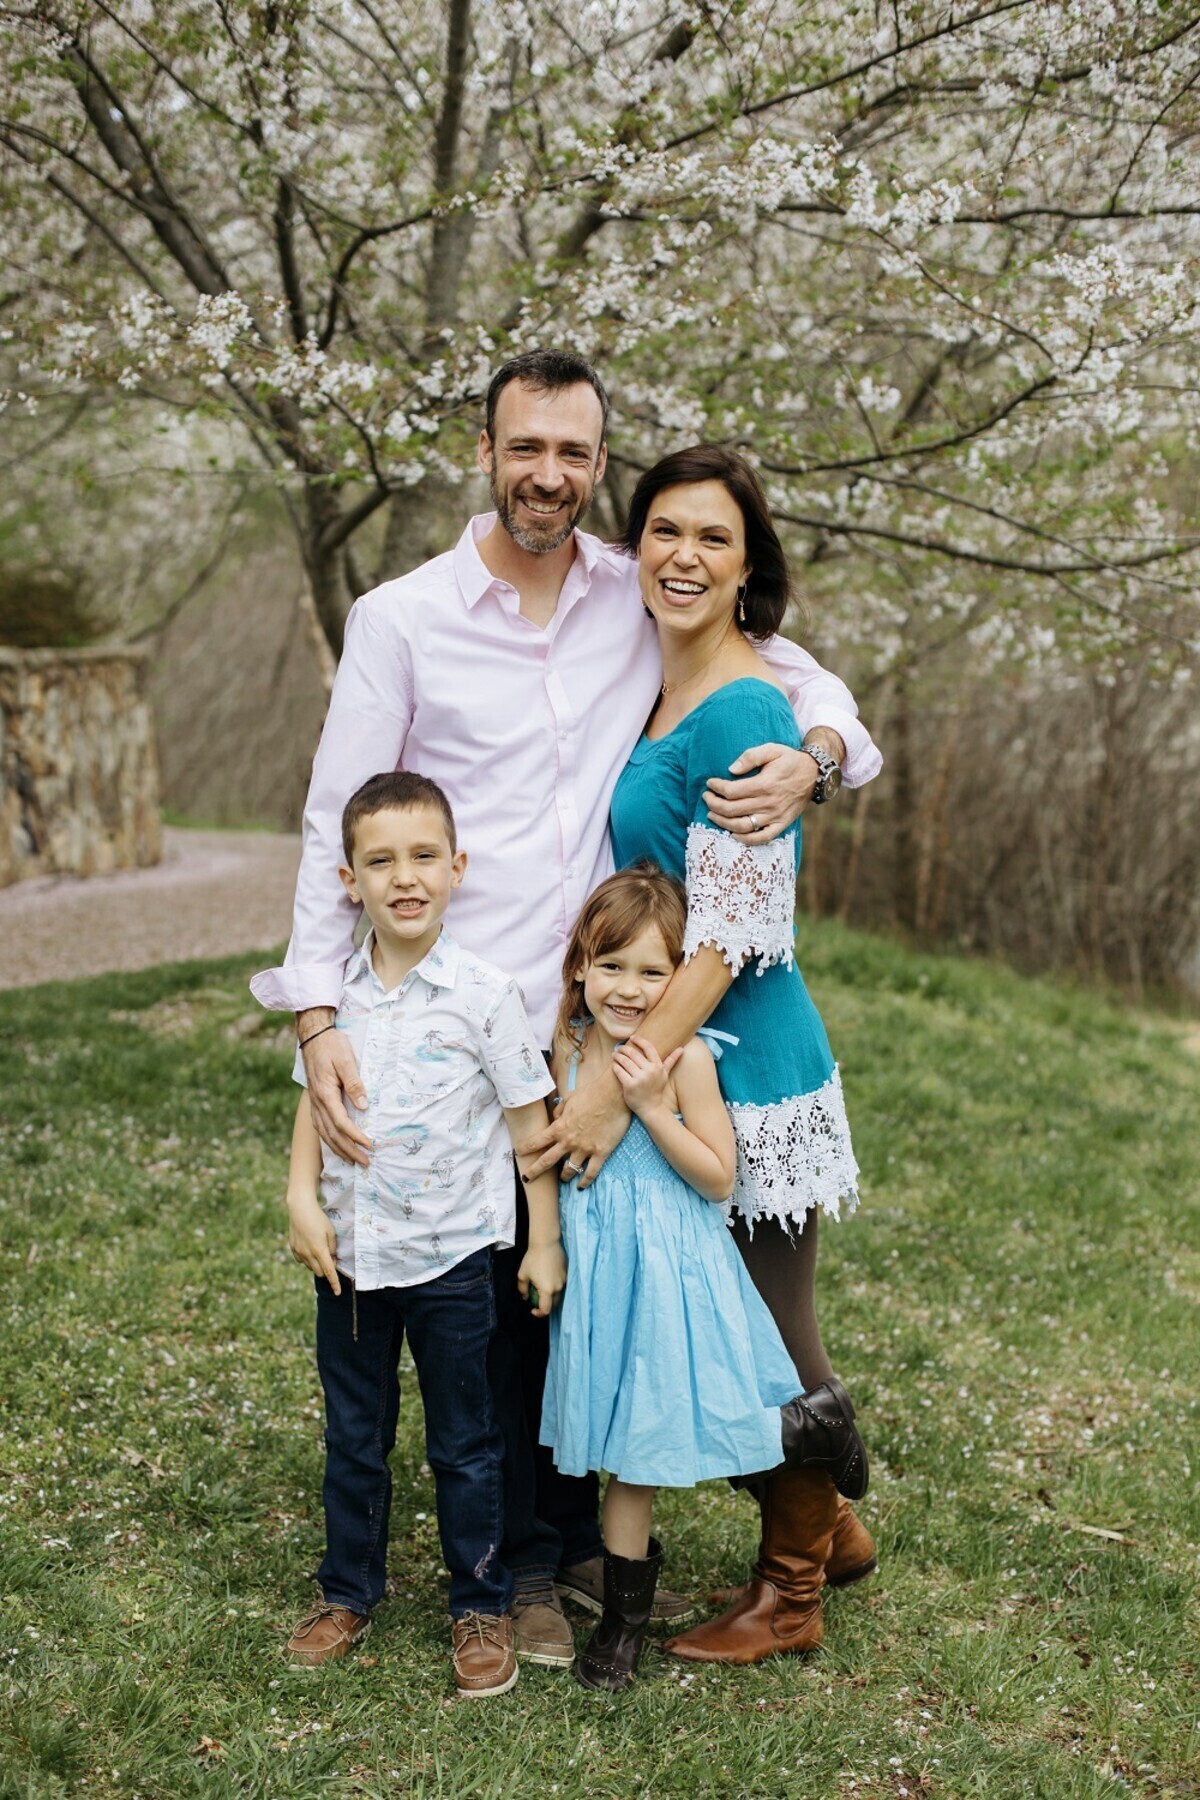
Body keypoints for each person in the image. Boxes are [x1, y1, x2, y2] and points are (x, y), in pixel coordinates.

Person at [252, 349, 882, 1663]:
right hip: (487, 1022)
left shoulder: (632, 589)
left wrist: (818, 758)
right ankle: (552, 1553)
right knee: (527, 1292)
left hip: (642, 1022)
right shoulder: (405, 619)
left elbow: (795, 681)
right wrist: (318, 1018)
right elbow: (334, 820)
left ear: (599, 464)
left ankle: (740, 1545)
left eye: (575, 453)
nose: (549, 474)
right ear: (485, 452)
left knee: (675, 1296)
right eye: (526, 447)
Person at [545, 443, 878, 1666]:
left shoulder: (741, 707)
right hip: (680, 1048)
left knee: (767, 1334)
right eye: (665, 533)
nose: (685, 557)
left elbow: (733, 934)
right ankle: (828, 1527)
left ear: (749, 569)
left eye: (715, 539)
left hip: (743, 1062)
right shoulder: (663, 683)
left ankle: (791, 1596)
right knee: (710, 1321)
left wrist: (613, 1080)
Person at [282, 770, 566, 1698]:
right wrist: (300, 1196)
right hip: (352, 1260)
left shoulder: (486, 994)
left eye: (423, 856)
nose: (404, 877)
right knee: (355, 1437)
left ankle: (479, 1605)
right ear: (349, 880)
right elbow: (314, 1102)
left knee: (466, 1441)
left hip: (452, 1261)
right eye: (381, 861)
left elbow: (529, 1130)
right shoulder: (332, 998)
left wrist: (544, 1241)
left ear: (457, 868)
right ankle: (346, 1591)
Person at [540, 865, 804, 1691]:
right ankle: (620, 1606)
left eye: (654, 971)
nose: (629, 988)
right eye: (611, 965)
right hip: (598, 1278)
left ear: (682, 977)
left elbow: (720, 1177)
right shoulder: (568, 1044)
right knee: (615, 1439)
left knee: (640, 1453)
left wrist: (653, 1108)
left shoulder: (686, 1059)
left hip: (665, 1278)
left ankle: (622, 1625)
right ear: (580, 965)